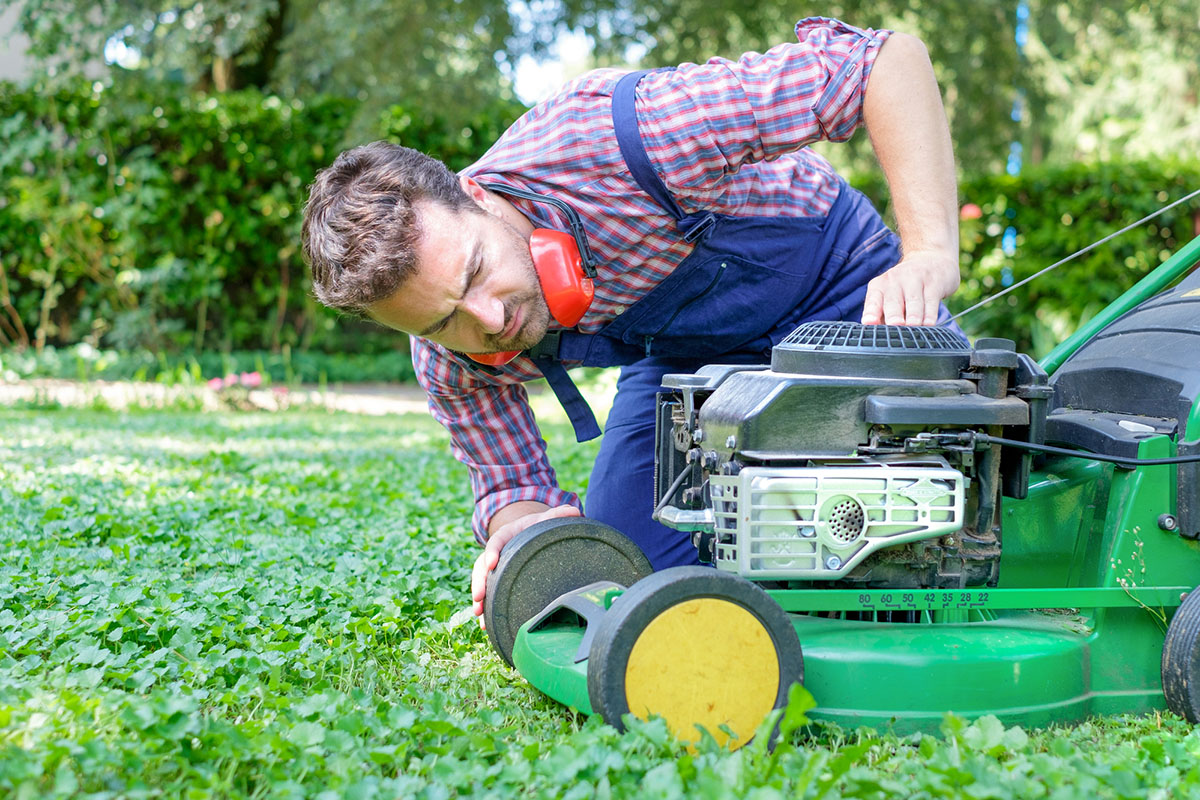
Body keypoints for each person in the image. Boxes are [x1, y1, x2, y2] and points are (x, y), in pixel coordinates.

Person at [301, 17, 962, 624]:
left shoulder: (630, 138)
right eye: (446, 321)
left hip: (837, 288)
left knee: (951, 494)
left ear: (476, 193)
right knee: (630, 563)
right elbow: (515, 487)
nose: (491, 319)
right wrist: (527, 535)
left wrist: (929, 251)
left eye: (476, 271)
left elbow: (881, 62)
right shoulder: (447, 355)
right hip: (689, 362)